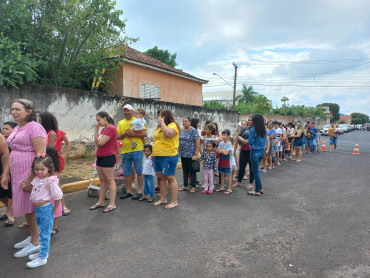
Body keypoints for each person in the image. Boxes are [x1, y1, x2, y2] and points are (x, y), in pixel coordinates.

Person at [8, 99, 47, 258]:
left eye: (18, 109)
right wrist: (6, 173)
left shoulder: (35, 127)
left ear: (29, 111)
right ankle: (32, 236)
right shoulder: (18, 127)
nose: (14, 112)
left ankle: (36, 242)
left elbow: (41, 156)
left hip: (28, 173)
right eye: (12, 109)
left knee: (31, 209)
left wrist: (30, 179)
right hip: (18, 173)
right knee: (26, 207)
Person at [27, 154, 63, 268]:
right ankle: (41, 251)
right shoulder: (37, 179)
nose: (39, 171)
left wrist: (55, 208)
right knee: (40, 230)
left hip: (45, 210)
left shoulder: (50, 181)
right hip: (37, 209)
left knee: (44, 234)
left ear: (49, 169)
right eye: (36, 169)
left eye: (42, 169)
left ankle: (42, 257)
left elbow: (58, 196)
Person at [38, 112, 71, 216]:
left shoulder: (51, 133)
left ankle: (63, 206)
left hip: (51, 160)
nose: (38, 122)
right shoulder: (43, 132)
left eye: (40, 120)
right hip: (46, 159)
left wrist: (64, 155)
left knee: (56, 184)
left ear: (45, 121)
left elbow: (50, 150)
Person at [117, 104, 147, 200]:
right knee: (126, 172)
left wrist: (133, 134)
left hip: (137, 149)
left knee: (139, 170)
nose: (126, 112)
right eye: (125, 111)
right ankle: (129, 191)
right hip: (125, 151)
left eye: (128, 110)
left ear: (132, 111)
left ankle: (139, 191)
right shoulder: (120, 123)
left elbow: (145, 133)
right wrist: (125, 134)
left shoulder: (138, 120)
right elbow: (117, 137)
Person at [89, 111, 117, 213]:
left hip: (108, 157)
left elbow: (100, 143)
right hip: (100, 156)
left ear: (105, 118)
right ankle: (101, 202)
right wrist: (96, 130)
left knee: (110, 180)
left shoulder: (111, 129)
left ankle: (112, 204)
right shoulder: (104, 129)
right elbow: (97, 142)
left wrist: (98, 141)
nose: (98, 122)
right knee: (102, 180)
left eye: (99, 120)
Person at [153, 110, 180, 209]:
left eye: (160, 116)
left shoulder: (173, 125)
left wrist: (162, 123)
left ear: (165, 117)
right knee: (160, 177)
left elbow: (168, 134)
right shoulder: (160, 127)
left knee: (170, 178)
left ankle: (174, 201)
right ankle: (163, 198)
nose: (158, 117)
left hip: (168, 155)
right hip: (158, 155)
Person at [178, 116, 200, 193]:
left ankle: (193, 186)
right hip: (183, 154)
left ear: (190, 122)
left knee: (192, 171)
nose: (184, 122)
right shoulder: (181, 130)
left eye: (186, 121)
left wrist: (196, 154)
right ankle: (185, 185)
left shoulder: (193, 130)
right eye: (183, 121)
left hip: (191, 154)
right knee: (185, 170)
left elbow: (197, 142)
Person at [0, 122, 16, 226]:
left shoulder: (14, 141)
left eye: (7, 128)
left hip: (7, 168)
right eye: (3, 128)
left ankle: (11, 213)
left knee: (8, 191)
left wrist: (5, 173)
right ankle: (9, 209)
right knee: (2, 194)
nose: (4, 130)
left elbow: (6, 154)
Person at [247, 114, 267, 196]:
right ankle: (260, 188)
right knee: (256, 170)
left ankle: (257, 190)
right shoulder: (264, 129)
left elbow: (250, 142)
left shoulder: (253, 129)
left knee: (255, 171)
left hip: (254, 151)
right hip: (261, 151)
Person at [45, 146, 62, 236]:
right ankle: (53, 226)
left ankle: (54, 227)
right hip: (50, 191)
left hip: (51, 190)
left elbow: (56, 179)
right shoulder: (54, 164)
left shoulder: (51, 166)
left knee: (54, 209)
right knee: (52, 209)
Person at [233, 120, 254, 189]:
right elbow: (239, 136)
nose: (249, 121)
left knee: (252, 167)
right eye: (248, 120)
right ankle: (239, 182)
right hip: (243, 149)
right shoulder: (245, 128)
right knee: (241, 166)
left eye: (250, 120)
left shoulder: (256, 129)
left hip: (251, 151)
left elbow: (255, 140)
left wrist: (248, 141)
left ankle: (251, 183)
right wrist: (243, 141)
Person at [216, 129, 233, 195]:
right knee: (222, 174)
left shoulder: (229, 143)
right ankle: (222, 187)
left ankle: (229, 188)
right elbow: (217, 151)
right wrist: (223, 151)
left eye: (224, 135)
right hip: (221, 160)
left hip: (227, 161)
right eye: (222, 135)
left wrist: (221, 151)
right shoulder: (221, 143)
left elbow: (226, 153)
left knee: (228, 174)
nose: (223, 136)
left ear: (228, 136)